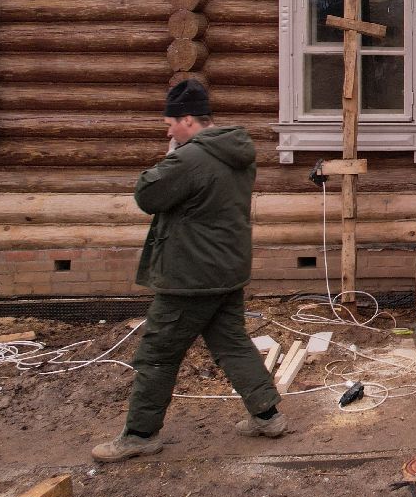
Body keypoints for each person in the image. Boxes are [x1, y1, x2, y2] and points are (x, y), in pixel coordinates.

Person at [92, 79, 288, 462]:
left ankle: (139, 434)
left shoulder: (190, 158)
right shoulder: (236, 152)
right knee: (231, 342)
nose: (168, 131)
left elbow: (147, 196)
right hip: (226, 269)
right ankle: (267, 416)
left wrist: (169, 157)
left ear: (187, 120)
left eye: (170, 124)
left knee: (157, 354)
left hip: (190, 276)